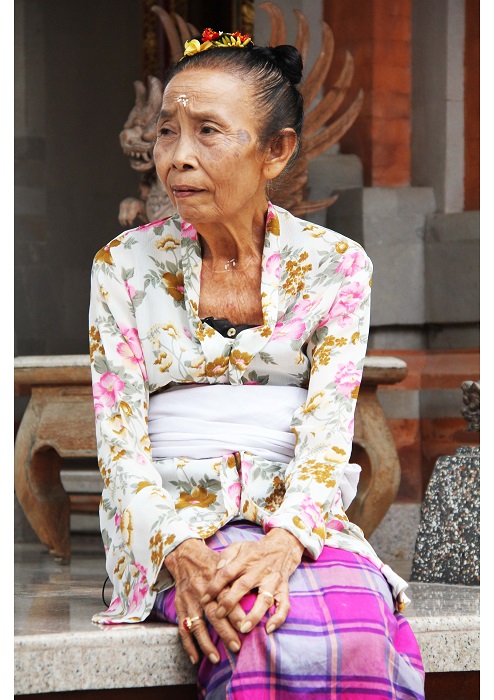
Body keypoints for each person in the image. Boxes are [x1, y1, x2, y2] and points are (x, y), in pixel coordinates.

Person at [89, 27, 425, 699]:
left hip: (299, 516)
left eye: (207, 132)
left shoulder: (336, 266)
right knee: (246, 622)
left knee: (360, 630)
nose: (178, 157)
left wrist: (284, 543)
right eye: (167, 133)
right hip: (171, 518)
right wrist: (181, 553)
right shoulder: (122, 264)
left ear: (277, 151)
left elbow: (330, 427)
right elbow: (119, 442)